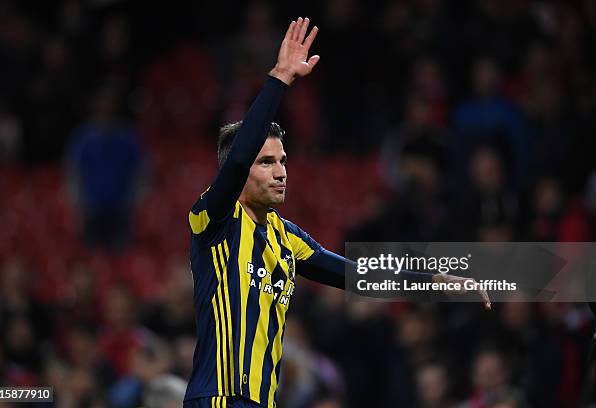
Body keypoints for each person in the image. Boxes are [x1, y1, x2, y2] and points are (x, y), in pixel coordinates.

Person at [184, 17, 490, 408]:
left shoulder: (286, 238)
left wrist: (434, 281)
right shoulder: (214, 219)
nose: (280, 172)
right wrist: (280, 77)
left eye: (283, 161)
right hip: (218, 398)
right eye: (266, 163)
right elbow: (239, 155)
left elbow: (357, 275)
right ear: (240, 171)